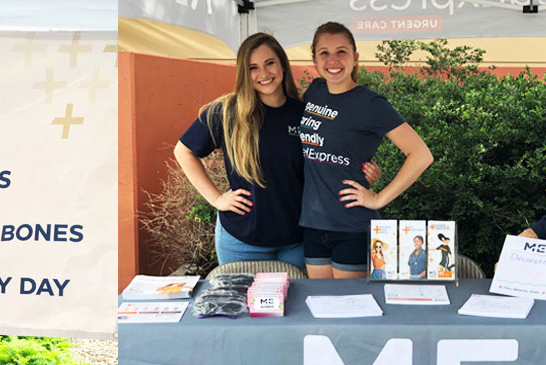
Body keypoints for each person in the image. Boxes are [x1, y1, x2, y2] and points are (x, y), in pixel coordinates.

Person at [174, 32, 380, 269]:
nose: (263, 73)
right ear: (244, 73)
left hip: (297, 242)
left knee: (297, 306)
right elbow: (184, 151)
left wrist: (362, 169)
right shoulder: (227, 112)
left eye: (270, 63)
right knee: (241, 306)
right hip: (241, 242)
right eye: (253, 67)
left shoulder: (304, 113)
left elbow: (330, 159)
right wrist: (217, 198)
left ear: (282, 64)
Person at [299, 22, 434, 279]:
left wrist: (379, 198)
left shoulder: (371, 104)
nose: (333, 60)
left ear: (355, 57)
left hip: (353, 225)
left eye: (341, 51)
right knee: (322, 309)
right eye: (324, 53)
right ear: (315, 60)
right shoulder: (314, 92)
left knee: (350, 313)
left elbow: (421, 155)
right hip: (313, 224)